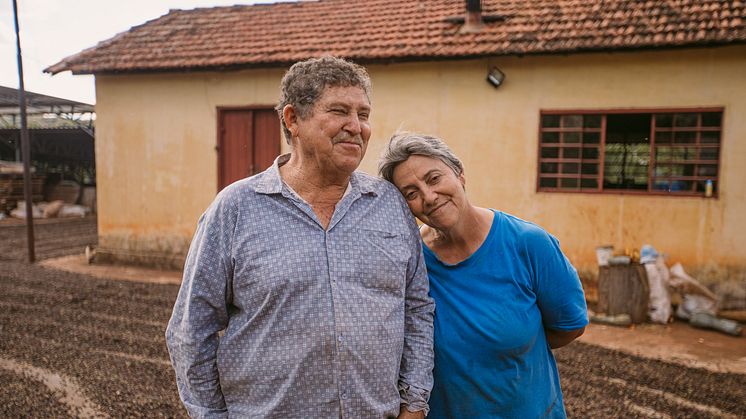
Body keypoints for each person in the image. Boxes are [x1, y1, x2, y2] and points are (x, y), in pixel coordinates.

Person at [166, 57, 434, 419]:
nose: (356, 126)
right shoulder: (236, 209)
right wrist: (212, 415)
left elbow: (416, 309)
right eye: (339, 111)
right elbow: (191, 328)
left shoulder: (389, 205)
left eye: (364, 114)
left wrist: (414, 405)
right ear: (293, 120)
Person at [379, 132, 588, 418]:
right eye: (411, 193)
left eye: (434, 178)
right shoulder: (409, 261)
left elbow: (570, 325)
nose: (428, 197)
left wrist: (507, 349)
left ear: (459, 174)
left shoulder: (528, 244)